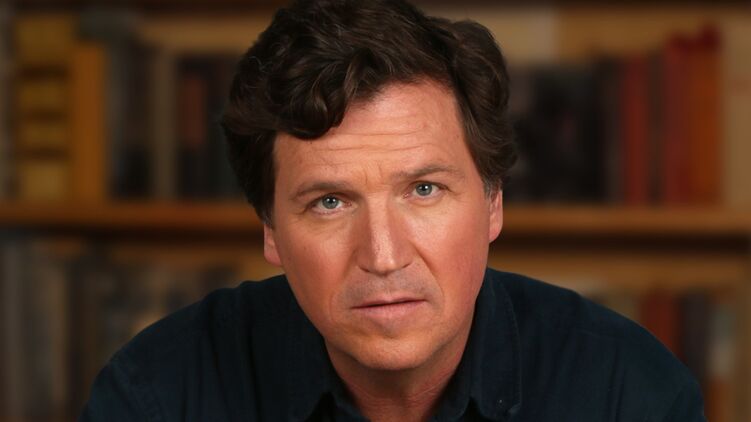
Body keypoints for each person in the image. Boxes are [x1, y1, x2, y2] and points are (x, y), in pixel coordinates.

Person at [80, 0, 706, 421]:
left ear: (493, 202)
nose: (383, 256)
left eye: (424, 190)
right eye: (329, 202)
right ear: (270, 230)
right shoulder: (157, 395)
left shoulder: (630, 394)